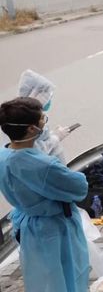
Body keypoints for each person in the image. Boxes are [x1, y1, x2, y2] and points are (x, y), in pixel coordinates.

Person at [0, 97, 89, 292]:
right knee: (68, 277)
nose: (45, 122)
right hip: (54, 229)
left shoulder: (3, 156)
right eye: (42, 119)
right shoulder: (45, 166)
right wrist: (54, 155)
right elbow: (79, 188)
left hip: (28, 229)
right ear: (31, 129)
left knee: (43, 280)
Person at [15, 70, 68, 162]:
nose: (49, 99)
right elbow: (33, 151)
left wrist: (51, 135)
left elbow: (39, 138)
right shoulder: (22, 121)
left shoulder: (29, 114)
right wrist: (56, 138)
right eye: (47, 96)